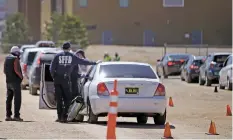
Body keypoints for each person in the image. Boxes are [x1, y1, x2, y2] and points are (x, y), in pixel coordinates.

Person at [50, 42, 98, 123]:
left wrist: (54, 77)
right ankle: (64, 116)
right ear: (69, 48)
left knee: (59, 99)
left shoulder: (57, 56)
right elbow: (83, 62)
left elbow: (51, 68)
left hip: (57, 79)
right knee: (67, 99)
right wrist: (95, 62)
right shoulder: (72, 56)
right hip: (66, 80)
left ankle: (59, 117)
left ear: (62, 48)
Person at [3, 46, 23, 121]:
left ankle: (8, 116)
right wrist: (21, 77)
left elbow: (4, 71)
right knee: (17, 99)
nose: (19, 55)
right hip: (15, 82)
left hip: (8, 82)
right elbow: (16, 70)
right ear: (16, 53)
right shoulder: (15, 59)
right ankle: (16, 116)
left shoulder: (7, 58)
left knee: (9, 99)